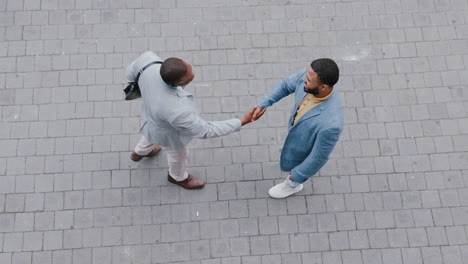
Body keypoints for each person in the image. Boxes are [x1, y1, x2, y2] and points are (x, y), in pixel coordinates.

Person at [126, 51, 255, 189]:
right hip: (168, 133)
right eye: (188, 80)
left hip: (150, 119)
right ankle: (177, 177)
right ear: (171, 83)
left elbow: (130, 72)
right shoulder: (178, 111)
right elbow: (206, 130)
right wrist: (242, 121)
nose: (193, 76)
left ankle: (139, 152)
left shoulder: (148, 60)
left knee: (151, 133)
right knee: (178, 155)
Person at [252, 58, 344, 198]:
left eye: (308, 80)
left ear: (323, 87)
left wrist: (296, 176)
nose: (303, 80)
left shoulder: (331, 125)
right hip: (299, 127)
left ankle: (292, 186)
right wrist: (263, 104)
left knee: (301, 167)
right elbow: (285, 85)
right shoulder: (310, 75)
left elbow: (318, 157)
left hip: (304, 146)